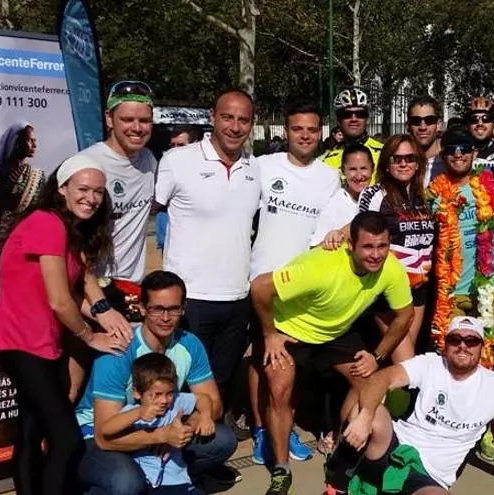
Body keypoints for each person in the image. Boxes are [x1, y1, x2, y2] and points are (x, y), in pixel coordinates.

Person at [0, 156, 129, 494]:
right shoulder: (47, 223)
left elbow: (73, 290)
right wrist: (89, 336)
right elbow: (60, 301)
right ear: (62, 188)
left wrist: (105, 314)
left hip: (43, 344)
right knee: (66, 440)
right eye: (83, 189)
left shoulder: (67, 230)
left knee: (31, 432)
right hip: (22, 344)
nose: (91, 198)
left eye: (98, 192)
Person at [250, 211, 414, 495]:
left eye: (382, 246)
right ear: (350, 245)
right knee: (279, 389)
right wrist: (269, 335)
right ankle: (281, 469)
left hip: (336, 333)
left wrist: (377, 355)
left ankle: (341, 452)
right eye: (368, 246)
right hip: (290, 330)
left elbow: (405, 315)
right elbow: (260, 287)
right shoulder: (321, 265)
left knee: (369, 385)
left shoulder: (391, 268)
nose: (376, 254)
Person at [153, 88, 259, 488]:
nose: (235, 126)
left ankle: (198, 462)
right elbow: (144, 213)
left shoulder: (255, 168)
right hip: (190, 300)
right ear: (212, 117)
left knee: (218, 385)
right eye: (228, 117)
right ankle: (166, 469)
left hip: (236, 298)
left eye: (243, 119)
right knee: (177, 387)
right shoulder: (178, 161)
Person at [325, 316, 494, 494]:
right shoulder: (430, 364)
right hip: (395, 446)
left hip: (430, 473)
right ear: (445, 344)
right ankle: (337, 483)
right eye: (455, 339)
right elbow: (381, 379)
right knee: (366, 410)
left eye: (471, 341)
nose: (463, 346)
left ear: (482, 347)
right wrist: (365, 418)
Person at [76, 270, 238, 494]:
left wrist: (183, 429)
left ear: (184, 308)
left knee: (224, 440)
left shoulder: (189, 344)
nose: (165, 317)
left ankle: (161, 480)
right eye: (157, 309)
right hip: (96, 435)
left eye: (173, 309)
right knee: (126, 482)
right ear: (142, 308)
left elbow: (214, 404)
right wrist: (160, 436)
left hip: (158, 427)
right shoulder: (119, 350)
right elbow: (104, 438)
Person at [247, 99, 341, 464]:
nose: (304, 135)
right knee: (262, 357)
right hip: (263, 281)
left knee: (292, 365)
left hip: (303, 286)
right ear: (285, 131)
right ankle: (261, 430)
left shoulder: (329, 177)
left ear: (321, 133)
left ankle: (283, 429)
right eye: (297, 129)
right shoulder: (262, 166)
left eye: (311, 129)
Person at [427, 125, 494, 461]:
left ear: (475, 152)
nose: (458, 154)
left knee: (486, 357)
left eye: (464, 148)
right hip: (450, 290)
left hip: (487, 288)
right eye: (451, 149)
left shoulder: (492, 183)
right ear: (443, 154)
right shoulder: (434, 193)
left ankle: (485, 429)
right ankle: (449, 422)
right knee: (449, 357)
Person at [323, 134, 434, 362]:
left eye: (409, 158)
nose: (403, 163)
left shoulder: (427, 194)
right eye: (396, 159)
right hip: (388, 289)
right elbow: (362, 225)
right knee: (406, 360)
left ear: (418, 162)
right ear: (386, 163)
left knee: (408, 364)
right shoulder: (375, 194)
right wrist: (338, 234)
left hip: (419, 287)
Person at [76, 81, 157, 319]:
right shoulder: (88, 164)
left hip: (131, 287)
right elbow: (69, 237)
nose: (137, 128)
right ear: (109, 119)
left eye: (144, 120)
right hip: (92, 287)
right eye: (127, 119)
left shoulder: (149, 160)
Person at [99, 353, 215, 494]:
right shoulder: (133, 412)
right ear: (137, 393)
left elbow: (203, 398)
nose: (164, 400)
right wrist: (138, 413)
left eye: (169, 393)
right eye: (157, 395)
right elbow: (106, 429)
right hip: (147, 482)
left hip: (178, 479)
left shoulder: (175, 403)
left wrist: (205, 416)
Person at [0, 121, 45, 303]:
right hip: (4, 248)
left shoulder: (38, 176)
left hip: (30, 247)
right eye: (30, 140)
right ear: (16, 142)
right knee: (4, 300)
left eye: (35, 140)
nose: (35, 145)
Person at [310, 143, 375, 246]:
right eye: (352, 169)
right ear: (343, 171)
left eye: (363, 168)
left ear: (372, 169)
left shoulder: (380, 199)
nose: (359, 176)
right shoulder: (334, 203)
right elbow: (317, 247)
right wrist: (335, 238)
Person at [321, 88, 384, 181]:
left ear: (367, 119)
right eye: (347, 114)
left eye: (360, 114)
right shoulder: (326, 161)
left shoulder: (384, 153)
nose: (354, 119)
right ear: (339, 121)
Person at [156, 125, 201, 254]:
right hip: (167, 227)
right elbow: (157, 200)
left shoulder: (208, 168)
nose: (174, 150)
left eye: (180, 145)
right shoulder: (167, 163)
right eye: (172, 145)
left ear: (195, 144)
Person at [404, 95, 444, 186]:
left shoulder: (450, 161)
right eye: (416, 121)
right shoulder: (400, 163)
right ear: (408, 125)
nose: (423, 127)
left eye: (429, 120)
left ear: (438, 125)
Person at [464, 96, 494, 169]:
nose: (480, 123)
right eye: (474, 119)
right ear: (467, 124)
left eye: (486, 118)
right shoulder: (459, 154)